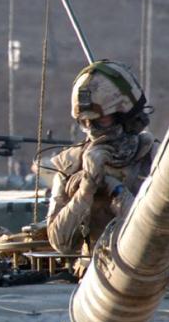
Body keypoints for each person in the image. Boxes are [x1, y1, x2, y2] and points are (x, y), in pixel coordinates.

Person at [46, 60, 156, 267]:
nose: (92, 128)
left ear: (125, 115)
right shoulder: (70, 165)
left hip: (144, 270)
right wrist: (86, 188)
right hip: (91, 276)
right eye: (84, 122)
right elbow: (60, 242)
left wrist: (115, 189)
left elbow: (153, 234)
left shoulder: (154, 159)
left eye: (101, 119)